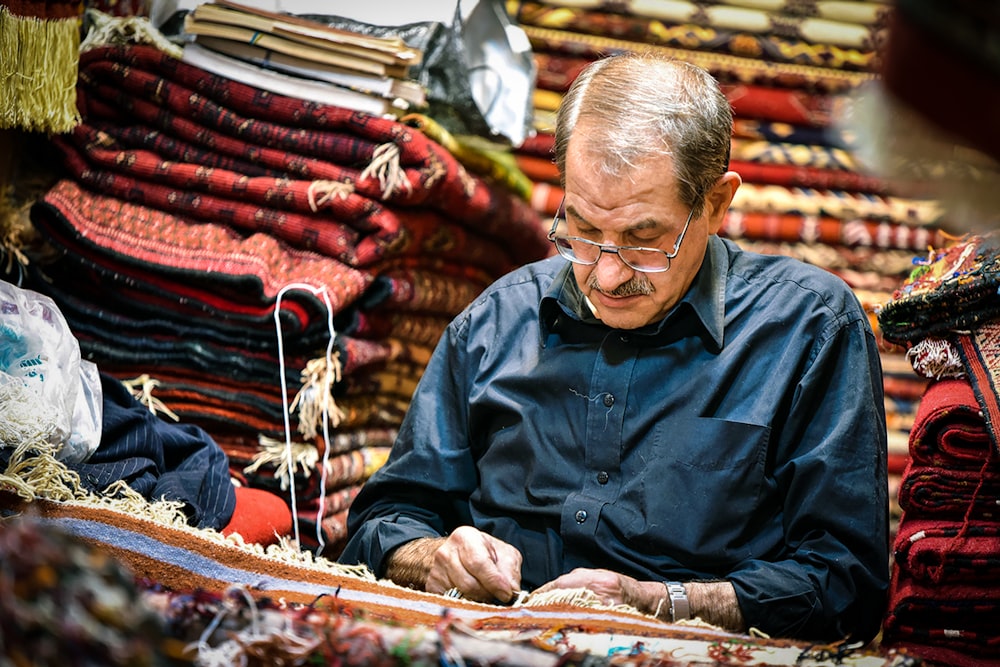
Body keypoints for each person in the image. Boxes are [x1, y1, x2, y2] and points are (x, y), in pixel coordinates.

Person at [340, 51, 889, 643]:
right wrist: (435, 557)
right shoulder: (498, 319)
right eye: (581, 229)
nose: (605, 275)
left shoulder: (808, 327)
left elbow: (846, 582)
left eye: (642, 239)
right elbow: (381, 522)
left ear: (716, 204)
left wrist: (662, 603)